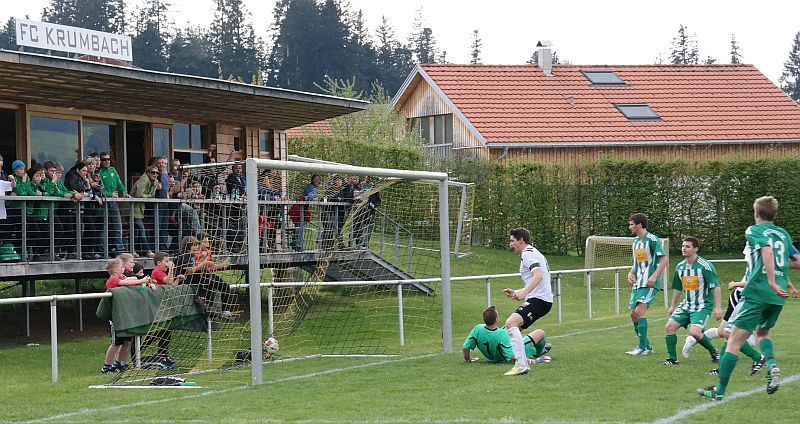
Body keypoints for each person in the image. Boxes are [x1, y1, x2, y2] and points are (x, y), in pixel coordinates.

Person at [698, 196, 794, 401]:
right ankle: (772, 365)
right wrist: (782, 278)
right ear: (775, 214)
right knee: (762, 334)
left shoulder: (754, 230)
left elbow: (767, 251)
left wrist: (771, 280)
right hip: (776, 298)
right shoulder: (783, 234)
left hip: (758, 292)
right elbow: (795, 260)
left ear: (756, 213)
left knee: (733, 340)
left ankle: (719, 391)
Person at [502, 227, 553, 376]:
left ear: (521, 240)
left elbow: (538, 275)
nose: (511, 244)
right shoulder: (532, 252)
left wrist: (523, 292)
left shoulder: (528, 254)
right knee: (513, 328)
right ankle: (520, 360)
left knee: (511, 323)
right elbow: (536, 279)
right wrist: (518, 292)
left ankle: (521, 365)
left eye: (512, 241)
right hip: (540, 299)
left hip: (540, 300)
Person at [663, 236, 721, 365]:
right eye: (683, 246)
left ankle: (714, 352)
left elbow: (716, 287)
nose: (684, 248)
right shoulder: (680, 267)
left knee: (695, 332)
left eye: (687, 246)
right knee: (669, 327)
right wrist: (673, 305)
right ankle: (672, 359)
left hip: (702, 306)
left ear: (695, 249)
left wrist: (718, 308)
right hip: (686, 305)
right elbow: (678, 288)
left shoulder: (705, 266)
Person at [626, 213, 668, 356]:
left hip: (649, 283)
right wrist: (631, 272)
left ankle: (642, 347)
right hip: (638, 282)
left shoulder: (652, 239)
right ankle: (647, 346)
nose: (630, 227)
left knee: (639, 312)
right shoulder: (635, 242)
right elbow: (637, 263)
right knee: (633, 313)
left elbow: (664, 259)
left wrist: (654, 276)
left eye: (631, 224)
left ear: (639, 225)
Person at [101, 257, 151, 373]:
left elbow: (131, 279)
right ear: (115, 270)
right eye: (121, 267)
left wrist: (145, 281)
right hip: (116, 317)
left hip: (125, 316)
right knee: (116, 343)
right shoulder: (112, 280)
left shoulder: (122, 277)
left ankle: (120, 363)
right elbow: (127, 282)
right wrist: (142, 280)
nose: (123, 268)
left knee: (127, 341)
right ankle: (106, 366)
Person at [463, 305, 551, 365]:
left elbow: (466, 347)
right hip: (505, 358)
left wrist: (468, 359)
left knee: (511, 326)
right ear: (496, 319)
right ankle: (539, 352)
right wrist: (532, 361)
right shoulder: (502, 334)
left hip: (492, 356)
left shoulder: (478, 328)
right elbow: (512, 355)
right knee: (540, 332)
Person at [97, 152, 128, 254]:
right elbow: (99, 190)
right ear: (100, 161)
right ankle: (102, 250)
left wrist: (124, 192)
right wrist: (110, 194)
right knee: (103, 227)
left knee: (118, 225)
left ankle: (119, 248)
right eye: (104, 160)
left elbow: (119, 184)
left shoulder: (113, 170)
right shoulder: (98, 172)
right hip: (103, 203)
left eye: (108, 159)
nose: (107, 161)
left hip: (112, 203)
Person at [130, 165, 160, 258]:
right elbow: (139, 195)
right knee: (141, 229)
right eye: (153, 172)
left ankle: (132, 250)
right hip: (134, 207)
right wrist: (149, 196)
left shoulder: (155, 181)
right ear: (148, 173)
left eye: (157, 173)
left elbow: (152, 194)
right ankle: (148, 250)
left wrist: (150, 194)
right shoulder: (144, 180)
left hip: (141, 207)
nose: (155, 174)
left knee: (136, 230)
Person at [225, 163, 247, 253]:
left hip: (242, 207)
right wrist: (241, 195)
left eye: (240, 168)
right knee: (234, 227)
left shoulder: (242, 179)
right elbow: (232, 190)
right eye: (236, 168)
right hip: (234, 207)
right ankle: (233, 246)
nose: (238, 170)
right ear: (233, 169)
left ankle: (241, 245)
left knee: (241, 227)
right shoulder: (230, 179)